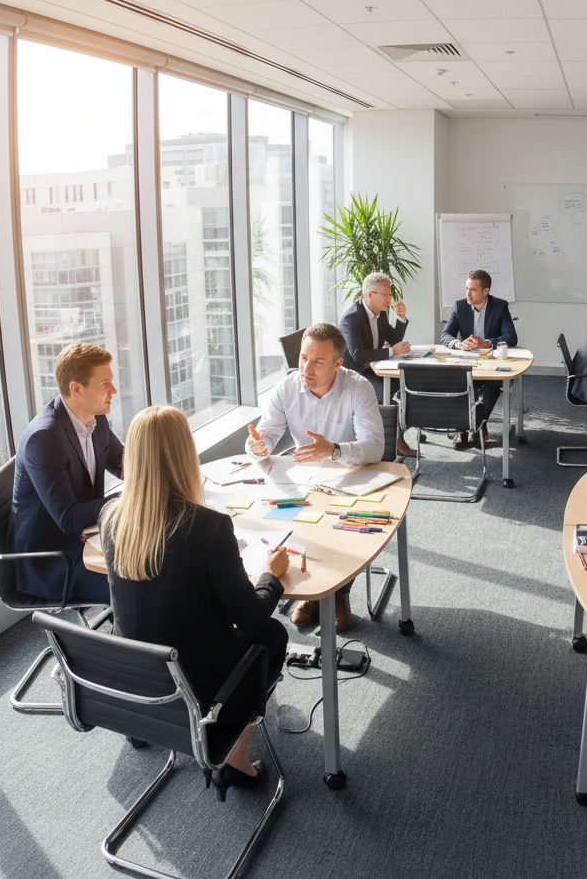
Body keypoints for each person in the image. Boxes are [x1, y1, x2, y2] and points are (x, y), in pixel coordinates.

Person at [102, 406, 289, 799]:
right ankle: (233, 757)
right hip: (198, 691)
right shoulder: (209, 527)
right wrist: (272, 576)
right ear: (185, 454)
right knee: (272, 633)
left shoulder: (112, 519)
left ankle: (155, 730)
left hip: (132, 682)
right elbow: (252, 620)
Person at [246, 322, 383, 631]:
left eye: (317, 361)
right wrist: (258, 446)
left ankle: (337, 595)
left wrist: (333, 449)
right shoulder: (287, 387)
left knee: (340, 527)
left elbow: (375, 447)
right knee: (279, 520)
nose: (306, 368)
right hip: (305, 478)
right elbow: (265, 436)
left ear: (338, 363)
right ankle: (311, 589)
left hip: (352, 476)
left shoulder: (358, 388)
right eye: (303, 358)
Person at [7, 343, 125, 603]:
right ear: (76, 389)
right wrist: (126, 499)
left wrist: (160, 472)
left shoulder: (96, 417)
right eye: (104, 383)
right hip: (53, 560)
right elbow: (68, 518)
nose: (113, 391)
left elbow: (123, 462)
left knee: (159, 559)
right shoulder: (44, 439)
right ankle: (130, 642)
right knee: (138, 583)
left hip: (86, 538)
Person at [339, 271, 416, 458]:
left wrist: (401, 318)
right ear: (369, 295)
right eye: (386, 295)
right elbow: (358, 355)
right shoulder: (352, 318)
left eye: (390, 294)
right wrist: (392, 351)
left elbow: (394, 338)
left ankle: (398, 434)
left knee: (407, 385)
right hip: (354, 374)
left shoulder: (379, 314)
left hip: (371, 369)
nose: (389, 299)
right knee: (386, 394)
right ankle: (392, 442)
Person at [440, 269, 518, 448]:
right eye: (467, 288)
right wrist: (459, 344)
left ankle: (477, 425)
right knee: (463, 383)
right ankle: (466, 428)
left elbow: (511, 338)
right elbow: (445, 335)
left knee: (493, 384)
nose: (468, 294)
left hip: (490, 361)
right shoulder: (460, 307)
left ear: (486, 291)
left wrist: (487, 343)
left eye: (473, 290)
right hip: (467, 361)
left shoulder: (500, 306)